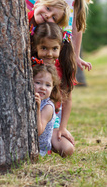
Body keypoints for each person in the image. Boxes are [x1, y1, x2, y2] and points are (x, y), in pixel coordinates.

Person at [31, 22, 76, 157]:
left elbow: (67, 100)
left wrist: (62, 127)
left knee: (67, 149)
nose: (49, 54)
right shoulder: (31, 64)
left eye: (54, 48)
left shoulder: (64, 67)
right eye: (44, 48)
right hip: (33, 111)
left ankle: (48, 141)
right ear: (35, 46)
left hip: (53, 116)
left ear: (61, 47)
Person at [32, 61, 61, 157]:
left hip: (40, 150)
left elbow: (39, 131)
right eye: (38, 82)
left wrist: (37, 108)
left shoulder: (48, 106)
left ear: (53, 88)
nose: (43, 88)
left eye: (48, 85)